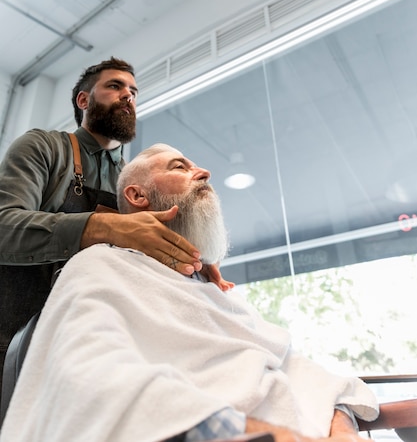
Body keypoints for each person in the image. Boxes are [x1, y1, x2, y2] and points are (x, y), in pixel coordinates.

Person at [0, 143, 379, 442]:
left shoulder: (209, 287)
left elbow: (306, 375)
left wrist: (343, 431)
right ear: (136, 195)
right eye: (179, 167)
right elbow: (93, 380)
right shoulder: (101, 265)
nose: (204, 172)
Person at [0, 59, 215, 394]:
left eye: (133, 91)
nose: (127, 95)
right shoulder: (43, 148)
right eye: (115, 86)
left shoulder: (134, 180)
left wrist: (194, 254)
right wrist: (104, 227)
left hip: (92, 345)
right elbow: (3, 228)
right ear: (84, 101)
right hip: (12, 341)